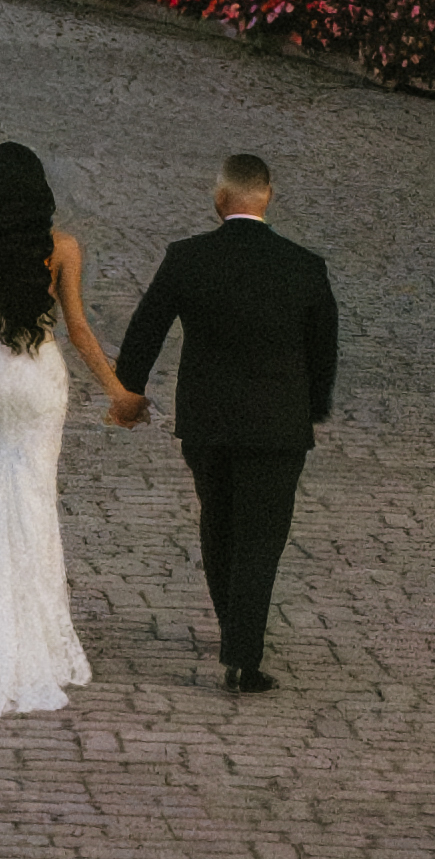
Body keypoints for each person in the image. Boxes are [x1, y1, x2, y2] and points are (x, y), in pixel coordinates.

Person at [0, 136, 140, 735]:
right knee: (36, 501)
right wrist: (117, 388)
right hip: (40, 380)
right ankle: (40, 637)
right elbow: (76, 326)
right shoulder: (64, 249)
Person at [108, 148, 343, 690]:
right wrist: (314, 408)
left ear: (219, 199)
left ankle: (231, 628)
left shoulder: (187, 258)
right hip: (279, 425)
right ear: (269, 198)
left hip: (207, 419)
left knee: (218, 521)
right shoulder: (305, 267)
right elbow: (322, 350)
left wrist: (128, 392)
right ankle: (243, 655)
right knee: (262, 536)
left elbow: (146, 328)